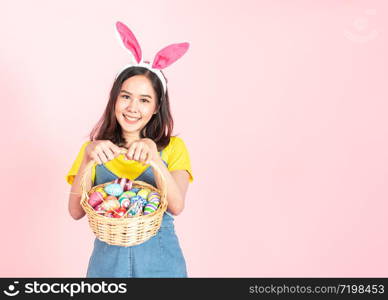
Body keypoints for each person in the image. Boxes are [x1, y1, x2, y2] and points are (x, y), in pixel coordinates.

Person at [65, 21, 193, 277]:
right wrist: (88, 159)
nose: (133, 107)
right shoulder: (93, 149)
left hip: (162, 267)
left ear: (157, 107)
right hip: (107, 270)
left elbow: (176, 206)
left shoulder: (173, 148)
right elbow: (76, 211)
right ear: (115, 99)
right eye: (125, 96)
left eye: (144, 100)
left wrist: (155, 160)